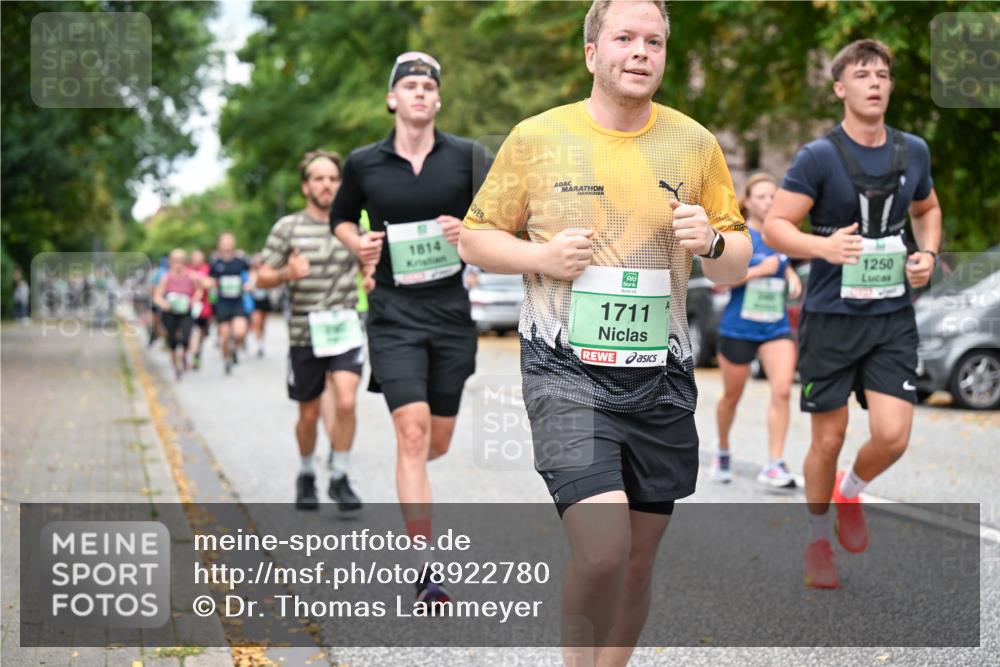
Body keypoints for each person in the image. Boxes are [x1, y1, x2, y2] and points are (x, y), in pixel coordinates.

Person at [458, 1, 751, 662]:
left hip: (661, 378)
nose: (641, 51)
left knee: (639, 561)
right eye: (624, 37)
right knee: (602, 549)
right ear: (593, 53)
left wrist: (711, 240)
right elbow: (475, 239)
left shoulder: (695, 144)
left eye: (654, 40)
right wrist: (539, 257)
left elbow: (737, 262)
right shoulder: (537, 138)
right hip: (564, 371)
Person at [763, 39, 941, 589]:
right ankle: (818, 536)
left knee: (892, 435)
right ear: (840, 87)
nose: (875, 83)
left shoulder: (913, 152)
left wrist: (927, 256)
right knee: (827, 439)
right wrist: (823, 249)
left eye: (883, 75)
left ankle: (850, 492)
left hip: (891, 316)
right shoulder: (818, 157)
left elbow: (927, 209)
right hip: (831, 317)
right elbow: (776, 227)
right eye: (863, 74)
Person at [331, 50, 492, 606]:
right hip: (394, 313)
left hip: (450, 313)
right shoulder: (363, 163)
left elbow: (502, 222)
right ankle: (425, 567)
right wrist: (359, 244)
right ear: (392, 99)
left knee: (436, 442)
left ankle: (409, 474)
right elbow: (341, 218)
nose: (420, 93)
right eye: (410, 85)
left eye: (429, 85)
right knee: (414, 432)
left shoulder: (470, 158)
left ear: (438, 99)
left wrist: (467, 232)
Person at [258, 150, 365, 511]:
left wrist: (372, 276)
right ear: (306, 186)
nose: (327, 185)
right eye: (319, 179)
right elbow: (260, 277)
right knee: (308, 413)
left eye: (333, 179)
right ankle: (306, 472)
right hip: (305, 334)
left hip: (345, 328)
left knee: (347, 401)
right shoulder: (287, 228)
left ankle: (339, 475)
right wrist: (287, 273)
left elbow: (371, 268)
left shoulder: (352, 227)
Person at [710, 173, 802, 488]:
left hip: (774, 327)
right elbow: (720, 281)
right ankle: (722, 450)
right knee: (732, 396)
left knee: (783, 390)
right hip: (739, 327)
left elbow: (783, 263)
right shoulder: (740, 235)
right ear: (747, 201)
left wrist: (791, 277)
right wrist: (757, 271)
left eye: (773, 196)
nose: (768, 202)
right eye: (762, 196)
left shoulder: (782, 235)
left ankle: (774, 463)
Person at [153, 249, 202, 380]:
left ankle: (184, 356)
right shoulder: (166, 278)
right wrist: (164, 304)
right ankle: (176, 368)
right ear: (170, 261)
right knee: (172, 342)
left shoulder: (192, 276)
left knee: (186, 338)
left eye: (181, 260)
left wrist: (194, 300)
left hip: (186, 312)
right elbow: (157, 296)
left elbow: (199, 291)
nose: (178, 264)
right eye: (175, 260)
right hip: (170, 313)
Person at [208, 232, 251, 374]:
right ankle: (226, 359)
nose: (227, 244)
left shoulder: (241, 261)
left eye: (229, 241)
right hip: (222, 303)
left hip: (237, 301)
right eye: (224, 241)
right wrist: (209, 284)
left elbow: (251, 274)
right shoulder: (215, 263)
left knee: (240, 332)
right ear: (220, 244)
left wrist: (249, 284)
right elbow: (210, 280)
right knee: (225, 336)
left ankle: (234, 349)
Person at [188, 249, 213, 370]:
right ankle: (194, 354)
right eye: (195, 257)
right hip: (190, 306)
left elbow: (210, 283)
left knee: (202, 333)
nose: (197, 260)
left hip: (204, 307)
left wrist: (198, 279)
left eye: (199, 257)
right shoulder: (187, 269)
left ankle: (198, 352)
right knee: (194, 332)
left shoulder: (207, 269)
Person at [248, 254, 272, 358]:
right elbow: (250, 286)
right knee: (256, 322)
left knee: (262, 323)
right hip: (254, 300)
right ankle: (258, 344)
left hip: (264, 300)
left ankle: (261, 343)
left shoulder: (266, 271)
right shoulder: (251, 273)